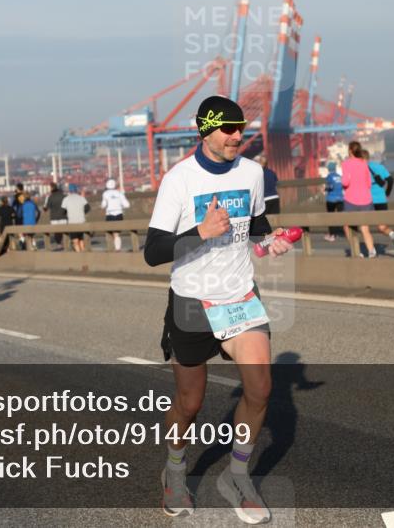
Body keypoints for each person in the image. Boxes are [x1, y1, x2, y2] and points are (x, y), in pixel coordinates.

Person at [145, 95, 294, 523]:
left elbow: (258, 226)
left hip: (239, 296)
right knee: (189, 402)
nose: (237, 136)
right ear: (205, 130)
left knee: (261, 389)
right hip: (192, 301)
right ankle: (175, 471)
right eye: (228, 129)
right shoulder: (179, 180)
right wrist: (200, 232)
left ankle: (237, 475)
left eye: (241, 128)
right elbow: (153, 252)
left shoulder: (253, 173)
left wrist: (270, 241)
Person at [365, 152, 394, 253]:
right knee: (382, 226)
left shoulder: (361, 169)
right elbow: (391, 180)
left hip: (367, 201)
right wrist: (387, 193)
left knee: (364, 226)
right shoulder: (379, 167)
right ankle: (393, 235)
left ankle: (370, 251)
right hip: (381, 200)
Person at [341, 141, 376, 258]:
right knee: (365, 228)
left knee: (347, 226)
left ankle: (357, 251)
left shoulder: (346, 163)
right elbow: (369, 183)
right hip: (366, 199)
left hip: (351, 199)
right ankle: (371, 251)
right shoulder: (364, 163)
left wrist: (344, 184)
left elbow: (345, 182)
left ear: (350, 150)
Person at [101, 178, 131, 251]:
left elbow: (103, 205)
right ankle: (118, 249)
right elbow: (127, 205)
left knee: (109, 232)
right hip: (119, 214)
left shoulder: (105, 194)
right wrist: (119, 205)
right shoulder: (119, 193)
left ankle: (111, 249)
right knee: (117, 233)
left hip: (110, 214)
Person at [61, 185, 89, 252]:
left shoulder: (66, 199)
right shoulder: (81, 198)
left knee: (75, 241)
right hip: (81, 221)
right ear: (76, 190)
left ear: (69, 191)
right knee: (81, 240)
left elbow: (62, 211)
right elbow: (88, 208)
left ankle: (79, 255)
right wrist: (82, 212)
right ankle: (84, 254)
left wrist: (68, 214)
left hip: (72, 222)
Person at [323, 162, 345, 242]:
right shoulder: (339, 176)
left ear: (329, 169)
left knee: (330, 217)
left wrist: (325, 189)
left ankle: (332, 235)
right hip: (340, 198)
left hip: (331, 199)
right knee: (341, 216)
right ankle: (344, 232)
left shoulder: (329, 176)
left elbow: (330, 186)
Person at [45, 182, 67, 248]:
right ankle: (65, 243)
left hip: (54, 218)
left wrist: (46, 202)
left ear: (51, 188)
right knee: (64, 231)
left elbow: (46, 208)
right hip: (63, 216)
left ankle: (59, 244)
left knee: (57, 232)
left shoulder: (50, 197)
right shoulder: (63, 196)